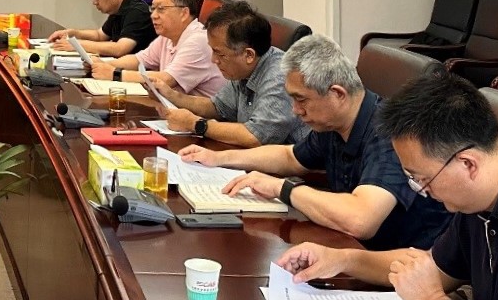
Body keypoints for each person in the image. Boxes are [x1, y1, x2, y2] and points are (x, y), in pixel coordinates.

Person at [276, 72, 498, 300]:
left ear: (468, 163)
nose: (422, 190)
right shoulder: (480, 199)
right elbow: (430, 268)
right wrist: (342, 259)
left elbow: (429, 290)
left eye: (422, 179)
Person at [179, 34, 451, 250]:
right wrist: (220, 158)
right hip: (351, 250)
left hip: (399, 267)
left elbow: (361, 219)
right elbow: (290, 157)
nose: (295, 110)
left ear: (337, 94)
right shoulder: (334, 123)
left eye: (301, 99)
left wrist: (283, 188)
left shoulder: (389, 133)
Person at [156, 1, 309, 147]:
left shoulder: (279, 76)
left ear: (248, 55)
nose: (214, 60)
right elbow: (218, 107)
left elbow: (256, 136)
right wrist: (171, 95)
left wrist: (196, 124)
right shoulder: (244, 69)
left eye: (220, 54)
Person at [89, 0, 224, 97]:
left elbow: (166, 80)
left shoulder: (198, 41)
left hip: (202, 116)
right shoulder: (168, 36)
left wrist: (115, 74)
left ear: (184, 13)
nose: (153, 15)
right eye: (153, 9)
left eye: (161, 9)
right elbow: (138, 60)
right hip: (173, 108)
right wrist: (103, 65)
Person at [46, 0, 155, 56]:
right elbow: (100, 35)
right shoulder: (118, 8)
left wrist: (77, 45)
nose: (94, 2)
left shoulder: (137, 11)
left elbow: (120, 48)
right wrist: (73, 33)